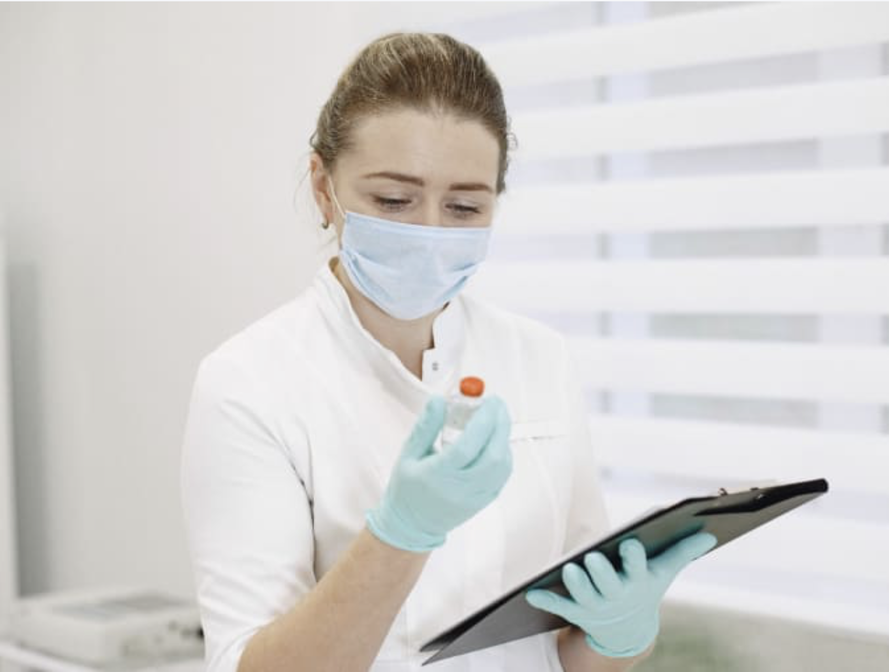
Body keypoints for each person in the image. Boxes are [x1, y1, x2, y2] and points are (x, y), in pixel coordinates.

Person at [179, 31, 716, 672]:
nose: (430, 231)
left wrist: (619, 635)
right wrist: (400, 535)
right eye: (394, 201)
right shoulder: (249, 383)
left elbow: (570, 651)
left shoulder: (539, 358)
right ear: (324, 186)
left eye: (464, 207)